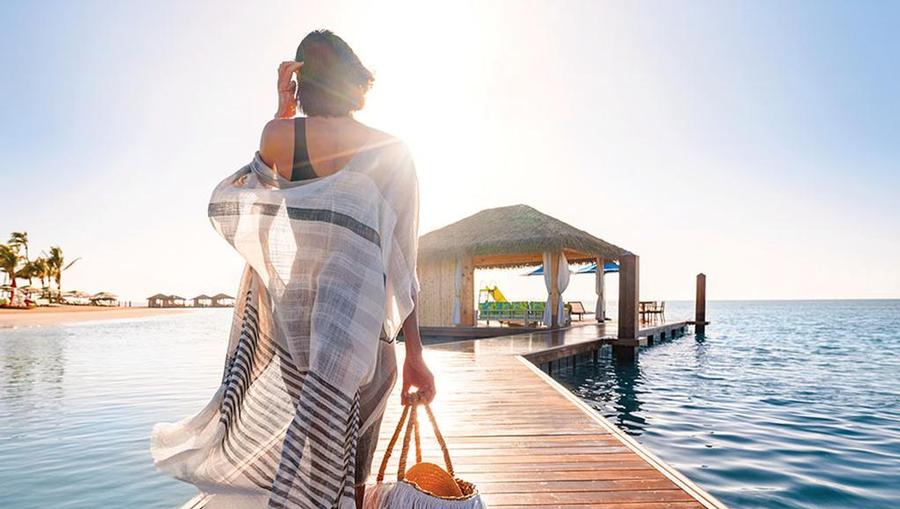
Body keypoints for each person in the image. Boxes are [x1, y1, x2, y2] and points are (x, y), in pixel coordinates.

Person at [152, 30, 435, 509]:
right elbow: (403, 264)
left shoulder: (279, 137)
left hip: (299, 334)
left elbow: (251, 198)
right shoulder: (393, 150)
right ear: (354, 78)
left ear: (300, 80)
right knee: (354, 471)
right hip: (365, 336)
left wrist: (283, 111)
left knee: (310, 451)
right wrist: (415, 354)